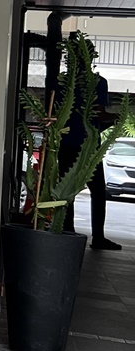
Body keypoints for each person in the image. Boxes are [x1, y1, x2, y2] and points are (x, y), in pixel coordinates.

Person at [59, 64, 121, 251]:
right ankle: (98, 237)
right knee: (98, 191)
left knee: (67, 190)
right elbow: (99, 114)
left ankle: (67, 231)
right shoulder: (98, 82)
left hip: (66, 142)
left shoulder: (64, 82)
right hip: (88, 147)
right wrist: (118, 117)